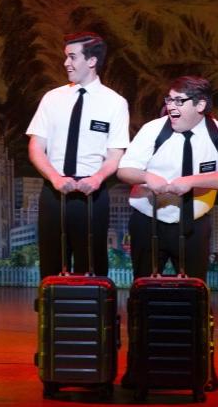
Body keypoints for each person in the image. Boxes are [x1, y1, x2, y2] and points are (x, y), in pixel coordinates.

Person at [117, 75, 218, 390]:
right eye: (168, 100)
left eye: (178, 101)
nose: (170, 107)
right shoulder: (152, 130)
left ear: (200, 105)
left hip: (193, 225)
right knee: (141, 297)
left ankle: (203, 367)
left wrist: (193, 181)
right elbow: (125, 169)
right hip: (149, 222)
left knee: (197, 297)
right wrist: (149, 177)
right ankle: (137, 369)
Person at [26, 32, 129, 278]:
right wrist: (55, 178)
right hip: (54, 189)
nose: (66, 63)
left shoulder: (115, 103)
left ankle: (93, 314)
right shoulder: (52, 99)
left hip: (92, 193)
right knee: (51, 260)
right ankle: (51, 314)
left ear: (91, 61)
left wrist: (96, 179)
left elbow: (115, 154)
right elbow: (36, 147)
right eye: (66, 57)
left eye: (72, 57)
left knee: (92, 263)